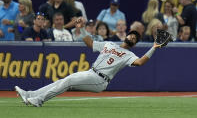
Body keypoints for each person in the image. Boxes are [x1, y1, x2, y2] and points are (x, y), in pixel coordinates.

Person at [15, 17, 162, 107]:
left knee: (69, 80)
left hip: (100, 80)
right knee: (64, 80)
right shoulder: (110, 44)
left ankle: (38, 100)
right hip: (91, 73)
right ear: (127, 36)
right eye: (131, 36)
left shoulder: (129, 54)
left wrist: (154, 47)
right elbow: (90, 43)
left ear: (134, 44)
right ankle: (30, 95)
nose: (132, 38)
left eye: (134, 39)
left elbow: (141, 62)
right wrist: (81, 29)